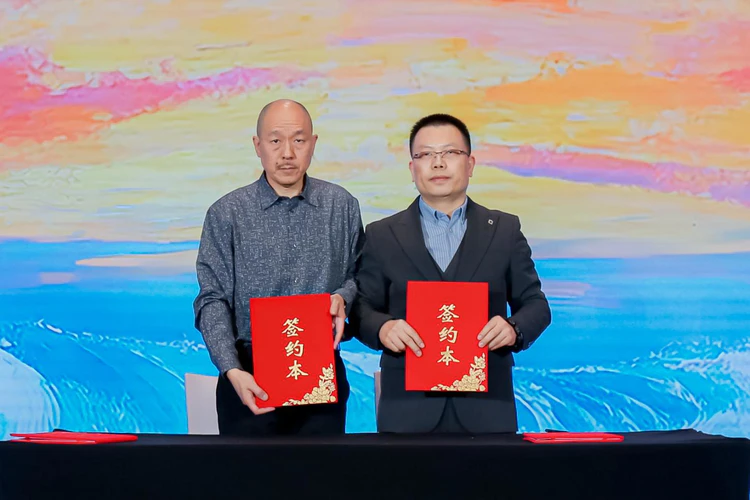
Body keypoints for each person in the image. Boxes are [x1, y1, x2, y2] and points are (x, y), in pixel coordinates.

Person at [350, 113, 551, 434]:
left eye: (450, 153)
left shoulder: (504, 230)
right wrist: (382, 327)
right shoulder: (382, 234)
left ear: (470, 164)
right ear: (412, 168)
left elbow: (536, 304)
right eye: (425, 154)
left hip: (488, 407)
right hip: (406, 409)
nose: (438, 163)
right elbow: (360, 307)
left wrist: (514, 328)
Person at [193, 99, 364, 436]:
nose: (287, 153)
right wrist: (231, 369)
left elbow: (359, 276)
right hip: (248, 376)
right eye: (275, 141)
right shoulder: (226, 213)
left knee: (322, 471)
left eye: (298, 140)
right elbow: (211, 299)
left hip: (321, 372)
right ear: (258, 146)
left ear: (313, 144)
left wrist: (343, 296)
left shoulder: (341, 206)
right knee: (251, 472)